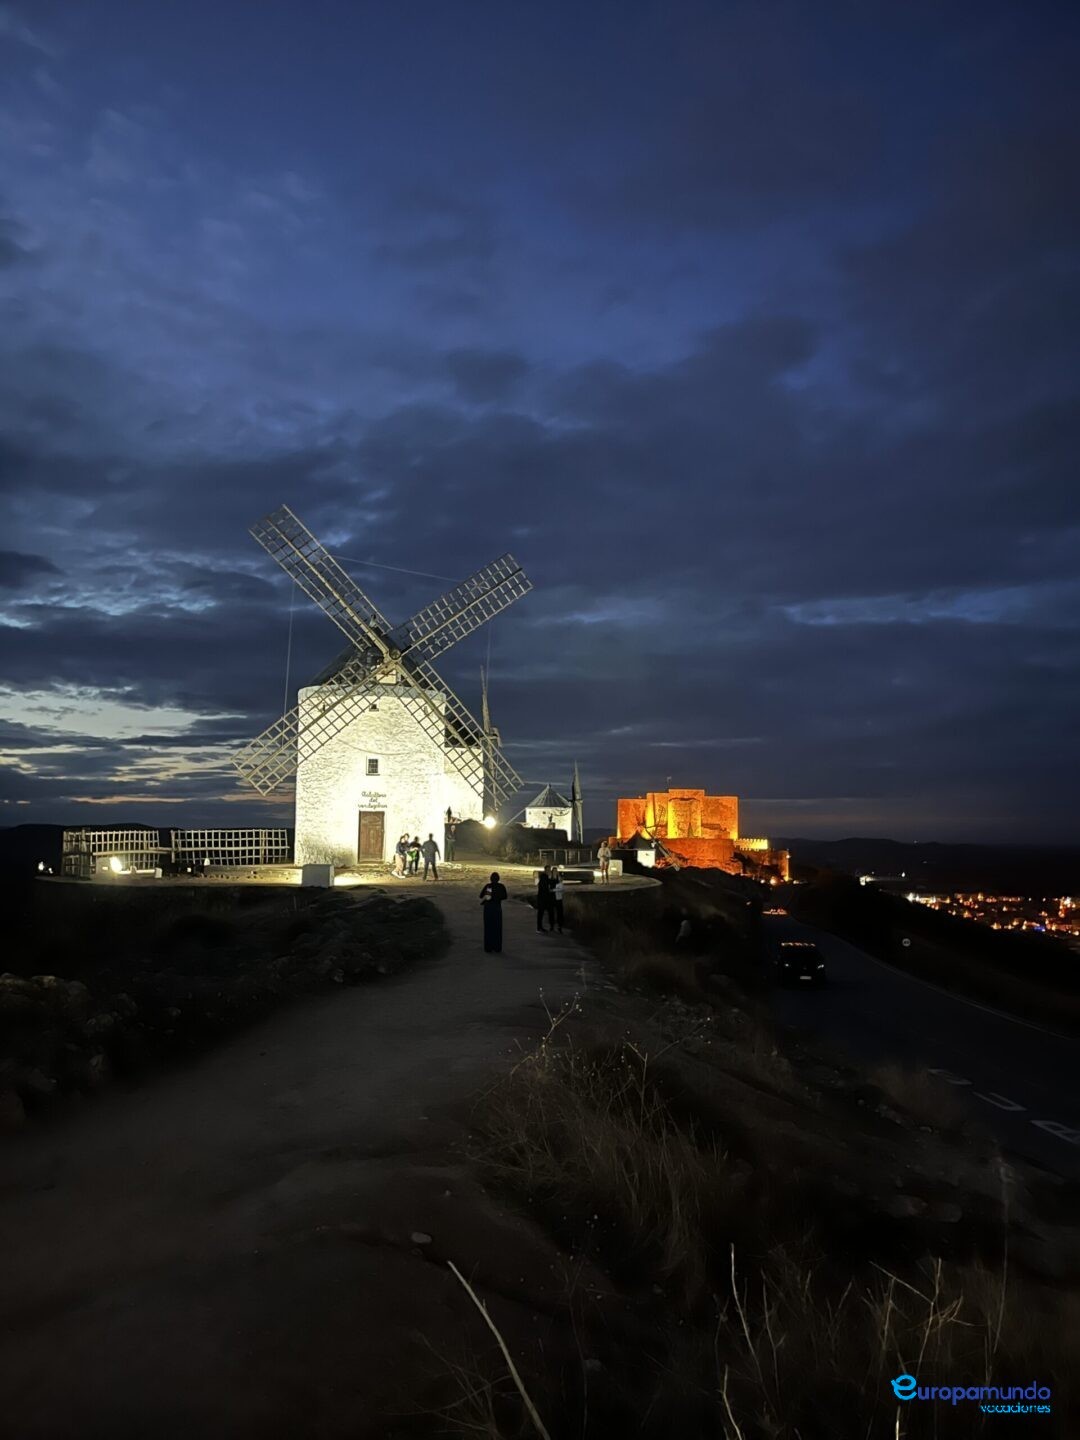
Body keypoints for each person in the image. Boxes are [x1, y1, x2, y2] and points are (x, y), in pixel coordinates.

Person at [479, 871, 508, 953]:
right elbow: (505, 896)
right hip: (497, 909)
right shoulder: (501, 886)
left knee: (488, 928)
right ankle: (497, 947)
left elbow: (482, 896)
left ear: (490, 879)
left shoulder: (489, 886)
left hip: (488, 909)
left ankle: (488, 947)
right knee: (497, 928)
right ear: (498, 879)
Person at [535, 866, 551, 931]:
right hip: (542, 898)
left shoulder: (544, 876)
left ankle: (540, 927)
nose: (549, 871)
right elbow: (544, 887)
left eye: (549, 870)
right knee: (541, 913)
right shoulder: (544, 876)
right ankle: (539, 927)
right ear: (545, 870)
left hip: (542, 897)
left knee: (541, 913)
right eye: (548, 870)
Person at [550, 867, 565, 933]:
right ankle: (552, 926)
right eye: (554, 871)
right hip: (552, 898)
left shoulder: (559, 878)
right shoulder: (550, 878)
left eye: (556, 871)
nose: (555, 872)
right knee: (552, 913)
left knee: (559, 913)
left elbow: (562, 888)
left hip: (558, 898)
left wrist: (553, 890)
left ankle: (559, 926)